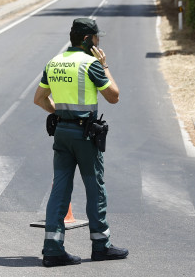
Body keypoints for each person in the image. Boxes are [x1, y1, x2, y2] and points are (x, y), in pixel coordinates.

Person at [33, 17, 128, 267]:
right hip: (85, 135)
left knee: (60, 190)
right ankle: (101, 245)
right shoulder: (91, 64)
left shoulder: (54, 63)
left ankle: (52, 249)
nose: (98, 42)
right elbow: (114, 97)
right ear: (87, 40)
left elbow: (40, 99)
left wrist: (58, 113)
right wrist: (104, 66)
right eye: (96, 38)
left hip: (62, 133)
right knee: (95, 188)